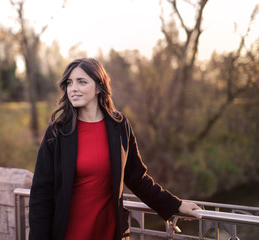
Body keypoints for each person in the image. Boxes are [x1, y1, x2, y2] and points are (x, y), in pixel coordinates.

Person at [28, 58, 201, 240]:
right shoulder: (58, 131)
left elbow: (137, 178)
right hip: (70, 231)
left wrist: (175, 205)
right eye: (69, 83)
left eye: (82, 82)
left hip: (110, 230)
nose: (73, 88)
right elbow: (41, 193)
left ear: (98, 88)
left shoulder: (118, 125)